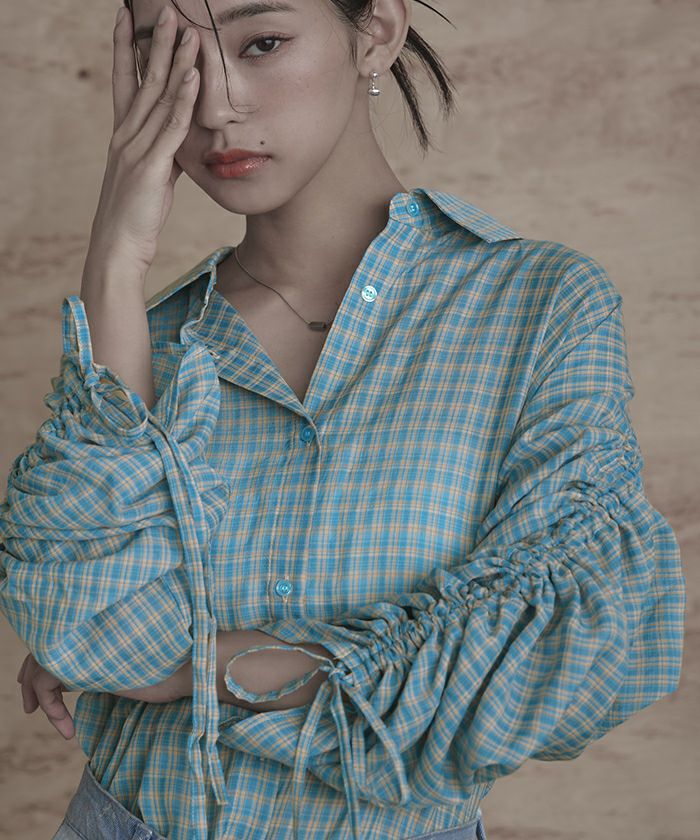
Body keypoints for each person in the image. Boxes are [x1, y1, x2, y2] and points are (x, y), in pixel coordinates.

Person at [0, 0, 685, 839]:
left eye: (263, 43)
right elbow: (86, 633)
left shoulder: (537, 306)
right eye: (171, 59)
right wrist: (115, 259)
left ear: (377, 32)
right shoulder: (141, 345)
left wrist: (193, 667)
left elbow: (560, 658)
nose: (214, 103)